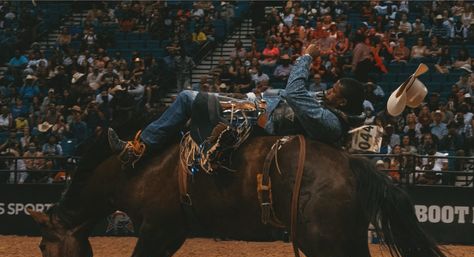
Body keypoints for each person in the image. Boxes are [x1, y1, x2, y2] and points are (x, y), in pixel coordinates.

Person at [108, 44, 366, 168]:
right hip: (260, 107)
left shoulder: (330, 123)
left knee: (187, 97)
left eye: (333, 91)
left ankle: (138, 149)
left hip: (261, 119)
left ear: (342, 101)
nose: (328, 91)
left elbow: (294, 92)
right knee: (190, 113)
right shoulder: (332, 114)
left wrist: (306, 57)